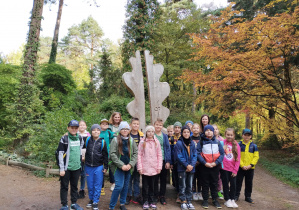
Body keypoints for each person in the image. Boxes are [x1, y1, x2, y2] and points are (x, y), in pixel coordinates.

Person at [108, 121, 138, 210]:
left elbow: (135, 153)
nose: (125, 131)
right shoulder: (115, 140)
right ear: (120, 130)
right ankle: (111, 206)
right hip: (118, 167)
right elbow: (112, 154)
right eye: (123, 129)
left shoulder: (131, 140)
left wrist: (130, 164)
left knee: (125, 186)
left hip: (128, 167)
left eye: (126, 129)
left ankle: (122, 203)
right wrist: (121, 165)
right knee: (119, 186)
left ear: (129, 130)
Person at [57, 120, 84, 210]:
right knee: (64, 186)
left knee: (74, 186)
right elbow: (60, 153)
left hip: (76, 167)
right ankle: (64, 204)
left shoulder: (80, 138)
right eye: (72, 128)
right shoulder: (64, 139)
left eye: (76, 128)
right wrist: (61, 168)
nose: (74, 129)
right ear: (68, 128)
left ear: (78, 129)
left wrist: (80, 164)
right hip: (66, 168)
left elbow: (80, 151)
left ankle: (74, 203)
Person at [197, 124, 224, 209]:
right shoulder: (201, 142)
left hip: (215, 166)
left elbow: (222, 154)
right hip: (205, 166)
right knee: (205, 183)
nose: (208, 132)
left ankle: (215, 199)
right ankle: (205, 200)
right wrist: (204, 163)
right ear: (204, 132)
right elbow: (198, 153)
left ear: (213, 132)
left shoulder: (217, 142)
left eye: (210, 130)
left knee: (214, 183)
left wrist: (216, 163)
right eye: (207, 130)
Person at [137, 125, 162, 210]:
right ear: (146, 132)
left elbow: (159, 155)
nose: (150, 133)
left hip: (154, 168)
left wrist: (159, 167)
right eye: (149, 131)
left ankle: (152, 200)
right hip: (145, 168)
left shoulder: (156, 142)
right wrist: (140, 167)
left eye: (152, 131)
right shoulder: (142, 142)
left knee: (152, 185)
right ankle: (145, 201)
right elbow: (139, 155)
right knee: (145, 186)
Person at [85, 124, 108, 210]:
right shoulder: (87, 140)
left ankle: (95, 201)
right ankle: (91, 199)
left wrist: (106, 166)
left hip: (99, 166)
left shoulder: (102, 142)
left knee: (97, 185)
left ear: (100, 132)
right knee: (90, 185)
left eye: (98, 130)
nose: (96, 131)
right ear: (91, 131)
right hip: (88, 166)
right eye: (94, 130)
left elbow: (105, 155)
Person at [176, 126, 197, 210]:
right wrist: (186, 165)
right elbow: (179, 156)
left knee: (189, 185)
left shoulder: (192, 143)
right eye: (184, 132)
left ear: (190, 133)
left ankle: (189, 200)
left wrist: (191, 165)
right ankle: (183, 200)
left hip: (191, 168)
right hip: (182, 168)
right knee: (183, 185)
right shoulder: (179, 143)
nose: (186, 134)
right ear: (182, 133)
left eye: (188, 132)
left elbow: (195, 155)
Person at [235, 128, 259, 204]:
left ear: (251, 136)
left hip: (250, 168)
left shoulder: (254, 146)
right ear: (242, 135)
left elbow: (256, 156)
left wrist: (251, 165)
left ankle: (248, 197)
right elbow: (237, 156)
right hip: (240, 168)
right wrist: (242, 165)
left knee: (249, 183)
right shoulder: (239, 145)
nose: (246, 137)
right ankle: (236, 195)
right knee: (238, 182)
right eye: (245, 135)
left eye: (248, 135)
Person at [221, 128, 240, 208]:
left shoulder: (236, 145)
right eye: (228, 135)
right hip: (224, 168)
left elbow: (238, 158)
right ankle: (227, 199)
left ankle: (232, 199)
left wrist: (235, 170)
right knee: (225, 184)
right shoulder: (222, 143)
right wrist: (223, 149)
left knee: (233, 185)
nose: (229, 136)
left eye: (231, 135)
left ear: (234, 135)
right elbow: (219, 154)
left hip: (232, 169)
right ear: (225, 135)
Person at [153, 119, 171, 205]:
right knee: (155, 179)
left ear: (162, 126)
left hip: (163, 160)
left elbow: (167, 148)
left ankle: (162, 196)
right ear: (154, 125)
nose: (158, 126)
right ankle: (155, 195)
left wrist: (168, 161)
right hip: (154, 160)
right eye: (157, 124)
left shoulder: (165, 136)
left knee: (163, 179)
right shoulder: (151, 135)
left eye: (160, 125)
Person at [126, 117, 144, 205]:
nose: (136, 125)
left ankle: (137, 195)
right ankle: (128, 195)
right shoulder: (127, 134)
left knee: (137, 179)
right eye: (134, 124)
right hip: (129, 160)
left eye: (137, 124)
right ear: (130, 125)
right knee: (129, 178)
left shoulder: (141, 135)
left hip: (138, 160)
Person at [100, 119, 115, 196]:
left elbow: (116, 134)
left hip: (109, 154)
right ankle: (101, 187)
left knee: (111, 169)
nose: (105, 125)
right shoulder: (98, 132)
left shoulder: (109, 132)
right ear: (100, 125)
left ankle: (113, 183)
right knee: (102, 170)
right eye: (103, 124)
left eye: (106, 124)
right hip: (101, 155)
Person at [108, 112, 123, 191]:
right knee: (112, 164)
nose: (117, 118)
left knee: (120, 163)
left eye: (118, 117)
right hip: (111, 147)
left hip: (120, 147)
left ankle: (119, 181)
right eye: (115, 117)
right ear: (113, 118)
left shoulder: (122, 126)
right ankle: (113, 182)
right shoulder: (109, 127)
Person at [169, 121, 182, 203]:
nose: (177, 129)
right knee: (176, 177)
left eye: (178, 127)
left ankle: (181, 193)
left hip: (182, 162)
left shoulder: (183, 137)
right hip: (174, 161)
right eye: (176, 127)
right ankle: (177, 192)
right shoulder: (171, 138)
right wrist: (170, 162)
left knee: (182, 178)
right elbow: (169, 151)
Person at [77, 120, 90, 199]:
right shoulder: (75, 134)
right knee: (76, 173)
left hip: (86, 156)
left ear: (86, 126)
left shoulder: (88, 135)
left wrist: (84, 156)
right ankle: (75, 189)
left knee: (83, 174)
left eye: (83, 125)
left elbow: (89, 146)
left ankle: (82, 189)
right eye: (80, 125)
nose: (82, 126)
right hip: (77, 155)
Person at [191, 123, 203, 201]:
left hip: (200, 161)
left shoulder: (202, 138)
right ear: (192, 129)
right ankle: (194, 192)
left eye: (197, 128)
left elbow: (203, 150)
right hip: (192, 161)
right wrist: (193, 161)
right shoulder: (190, 138)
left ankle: (199, 191)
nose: (196, 130)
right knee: (193, 177)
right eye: (194, 128)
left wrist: (199, 160)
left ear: (199, 129)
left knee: (200, 177)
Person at [212, 124, 224, 200]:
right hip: (212, 161)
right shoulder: (209, 139)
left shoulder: (222, 140)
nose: (215, 130)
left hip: (220, 162)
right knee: (213, 177)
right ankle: (212, 190)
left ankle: (218, 190)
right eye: (213, 129)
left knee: (219, 177)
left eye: (216, 129)